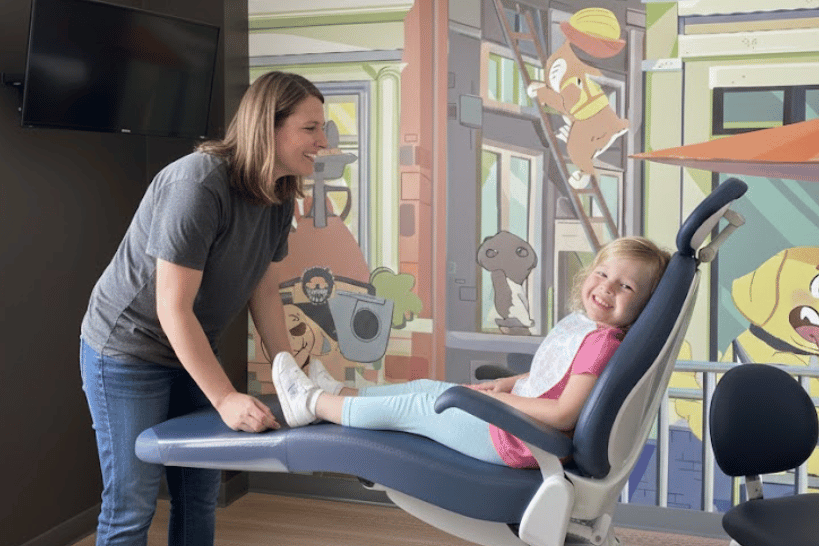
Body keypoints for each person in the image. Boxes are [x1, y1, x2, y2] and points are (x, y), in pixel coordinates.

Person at [79, 71, 328, 545]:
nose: (322, 142)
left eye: (323, 129)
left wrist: (290, 375)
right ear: (267, 126)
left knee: (199, 494)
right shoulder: (198, 183)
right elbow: (172, 308)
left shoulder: (278, 190)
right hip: (127, 352)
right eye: (310, 128)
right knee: (132, 503)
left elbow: (264, 289)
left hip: (191, 347)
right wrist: (225, 398)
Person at [272, 237, 670, 468]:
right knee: (427, 387)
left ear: (644, 307)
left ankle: (312, 403)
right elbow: (549, 380)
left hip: (517, 439)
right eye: (603, 274)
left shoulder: (601, 344)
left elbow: (565, 412)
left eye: (627, 288)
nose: (607, 288)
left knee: (421, 406)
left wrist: (507, 400)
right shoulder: (588, 329)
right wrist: (507, 384)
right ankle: (339, 393)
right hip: (515, 425)